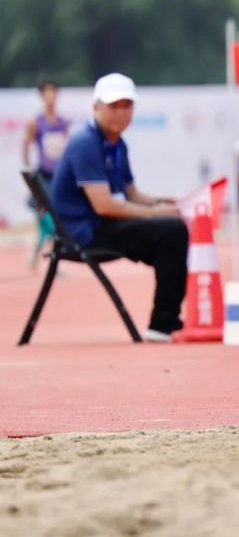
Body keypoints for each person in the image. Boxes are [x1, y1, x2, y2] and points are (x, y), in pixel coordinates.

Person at [51, 73, 189, 342]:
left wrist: (162, 202)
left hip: (98, 225)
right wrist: (158, 213)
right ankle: (163, 324)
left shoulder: (117, 144)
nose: (121, 113)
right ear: (96, 108)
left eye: (127, 106)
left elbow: (131, 193)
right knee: (172, 231)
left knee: (170, 232)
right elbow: (103, 205)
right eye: (114, 106)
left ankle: (164, 322)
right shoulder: (86, 144)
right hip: (83, 233)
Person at [22, 80, 70, 270]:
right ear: (42, 97)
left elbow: (65, 148)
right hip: (43, 175)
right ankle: (42, 254)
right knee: (44, 217)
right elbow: (26, 142)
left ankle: (47, 257)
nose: (50, 98)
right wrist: (26, 162)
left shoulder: (63, 122)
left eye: (53, 94)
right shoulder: (36, 122)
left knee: (56, 217)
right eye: (47, 95)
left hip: (58, 176)